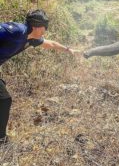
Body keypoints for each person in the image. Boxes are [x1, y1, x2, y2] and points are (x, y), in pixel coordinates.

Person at [0, 9, 75, 145]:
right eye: (44, 27)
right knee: (4, 100)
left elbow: (50, 44)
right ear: (35, 26)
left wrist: (68, 50)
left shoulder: (31, 39)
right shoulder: (16, 31)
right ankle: (1, 138)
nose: (45, 30)